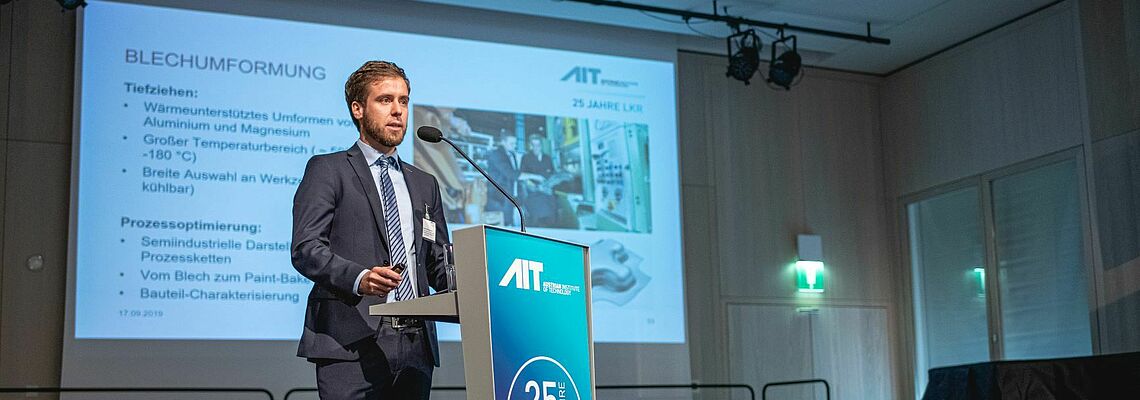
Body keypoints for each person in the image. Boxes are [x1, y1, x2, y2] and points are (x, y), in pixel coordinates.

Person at [292, 60, 450, 400]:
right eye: (385, 100)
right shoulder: (328, 169)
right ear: (358, 108)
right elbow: (306, 248)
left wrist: (480, 280)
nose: (398, 111)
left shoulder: (425, 183)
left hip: (416, 345)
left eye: (403, 101)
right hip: (352, 341)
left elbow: (438, 264)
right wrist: (360, 278)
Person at [483, 130, 521, 225]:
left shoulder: (511, 155)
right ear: (503, 142)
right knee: (499, 225)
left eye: (515, 143)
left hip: (509, 196)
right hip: (498, 197)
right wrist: (533, 176)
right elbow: (510, 174)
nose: (514, 146)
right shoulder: (496, 154)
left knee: (508, 222)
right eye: (511, 143)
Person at [520, 134, 556, 226]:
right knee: (536, 223)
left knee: (551, 222)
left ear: (541, 145)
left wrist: (551, 184)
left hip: (548, 196)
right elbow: (523, 178)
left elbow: (553, 174)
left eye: (538, 145)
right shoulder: (526, 158)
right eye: (534, 145)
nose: (536, 147)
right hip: (534, 196)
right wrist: (536, 187)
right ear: (530, 145)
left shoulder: (547, 158)